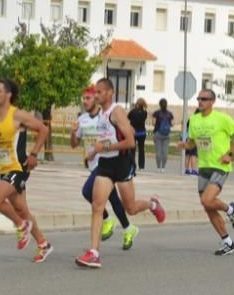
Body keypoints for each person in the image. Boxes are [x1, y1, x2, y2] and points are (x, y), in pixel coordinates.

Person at [76, 78, 166, 269]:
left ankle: (152, 204)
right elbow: (104, 139)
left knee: (131, 208)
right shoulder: (101, 114)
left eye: (100, 92)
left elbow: (130, 142)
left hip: (122, 164)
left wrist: (105, 146)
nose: (96, 95)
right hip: (106, 164)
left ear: (110, 93)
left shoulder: (117, 112)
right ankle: (94, 252)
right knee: (97, 205)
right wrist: (94, 151)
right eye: (95, 92)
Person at [0, 78, 52, 262]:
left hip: (19, 167)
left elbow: (43, 130)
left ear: (9, 94)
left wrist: (34, 154)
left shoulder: (18, 115)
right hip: (4, 168)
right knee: (22, 209)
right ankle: (43, 244)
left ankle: (20, 226)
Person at [177, 89, 234, 256]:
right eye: (199, 99)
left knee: (208, 200)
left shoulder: (221, 118)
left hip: (220, 166)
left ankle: (230, 210)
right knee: (207, 206)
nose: (200, 101)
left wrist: (230, 153)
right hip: (204, 167)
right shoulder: (193, 120)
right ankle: (228, 243)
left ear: (212, 101)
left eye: (204, 99)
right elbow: (192, 143)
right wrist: (184, 145)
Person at [71, 86, 138, 251]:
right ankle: (126, 229)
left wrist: (102, 149)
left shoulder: (110, 113)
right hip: (98, 164)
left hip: (111, 163)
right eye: (84, 98)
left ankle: (111, 222)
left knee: (90, 193)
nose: (85, 101)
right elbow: (74, 144)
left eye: (89, 97)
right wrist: (74, 134)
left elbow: (128, 137)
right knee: (109, 201)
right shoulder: (83, 119)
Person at [152, 98, 175, 172]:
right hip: (167, 134)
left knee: (158, 151)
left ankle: (158, 167)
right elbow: (172, 124)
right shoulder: (170, 114)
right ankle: (163, 168)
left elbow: (153, 123)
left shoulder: (156, 113)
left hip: (157, 133)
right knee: (165, 152)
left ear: (159, 104)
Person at [128, 98, 149, 172]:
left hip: (133, 132)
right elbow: (144, 118)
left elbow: (129, 117)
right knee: (141, 149)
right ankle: (141, 166)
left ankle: (132, 165)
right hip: (142, 133)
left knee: (132, 150)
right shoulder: (145, 112)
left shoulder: (133, 111)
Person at [184, 108, 200, 175]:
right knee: (194, 154)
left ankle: (187, 169)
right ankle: (193, 170)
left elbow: (187, 128)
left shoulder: (191, 119)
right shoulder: (200, 120)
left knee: (187, 154)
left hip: (188, 137)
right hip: (194, 138)